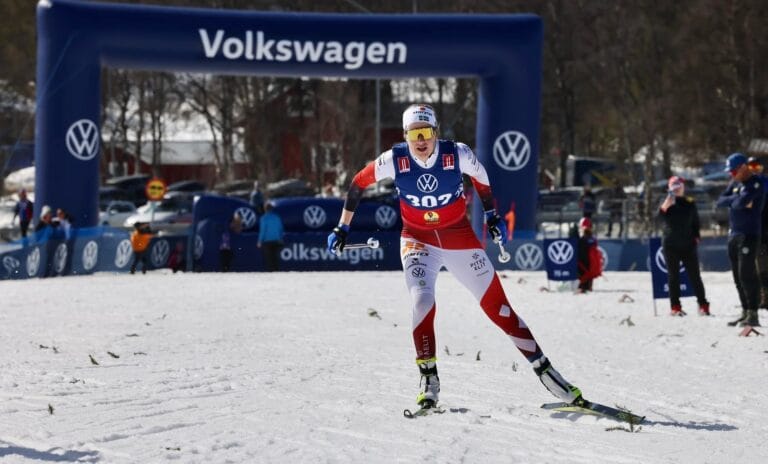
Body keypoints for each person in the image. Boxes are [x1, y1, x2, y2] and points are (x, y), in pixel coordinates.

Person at [326, 103, 583, 410]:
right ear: (405, 136)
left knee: (499, 309)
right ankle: (428, 378)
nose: (421, 141)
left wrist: (491, 215)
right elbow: (357, 184)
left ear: (436, 133)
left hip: (458, 238)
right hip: (417, 241)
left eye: (426, 133)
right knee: (422, 301)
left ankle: (546, 371)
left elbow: (482, 177)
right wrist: (343, 227)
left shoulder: (456, 154)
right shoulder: (394, 159)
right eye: (414, 135)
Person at [717, 153, 764, 327]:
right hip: (733, 234)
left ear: (744, 167)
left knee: (747, 274)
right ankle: (744, 311)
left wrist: (737, 201)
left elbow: (742, 202)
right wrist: (735, 200)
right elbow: (721, 201)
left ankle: (753, 313)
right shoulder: (735, 183)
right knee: (737, 276)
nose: (732, 175)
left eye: (734, 171)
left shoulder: (756, 183)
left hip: (749, 234)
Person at [658, 176, 710, 316]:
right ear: (669, 188)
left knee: (695, 275)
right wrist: (665, 206)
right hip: (671, 244)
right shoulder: (666, 201)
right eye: (674, 187)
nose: (677, 189)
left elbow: (696, 222)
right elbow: (659, 218)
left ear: (683, 188)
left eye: (679, 187)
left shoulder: (689, 202)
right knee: (673, 276)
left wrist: (696, 237)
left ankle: (703, 305)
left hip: (688, 244)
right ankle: (675, 307)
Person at [747, 157, 768, 309]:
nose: (755, 169)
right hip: (755, 232)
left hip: (763, 231)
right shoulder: (745, 185)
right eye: (751, 166)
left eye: (757, 166)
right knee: (759, 269)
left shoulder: (764, 182)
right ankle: (763, 298)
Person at [576, 217, 602, 293]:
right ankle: (588, 286)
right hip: (592, 267)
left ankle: (582, 287)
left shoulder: (581, 240)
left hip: (583, 267)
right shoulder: (593, 239)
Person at [257, 202, 285, 272]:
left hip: (267, 241)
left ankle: (271, 272)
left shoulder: (263, 218)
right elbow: (280, 229)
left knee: (269, 258)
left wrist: (259, 241)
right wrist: (281, 238)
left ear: (265, 209)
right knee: (275, 257)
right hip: (276, 240)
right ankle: (276, 271)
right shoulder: (277, 217)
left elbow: (263, 230)